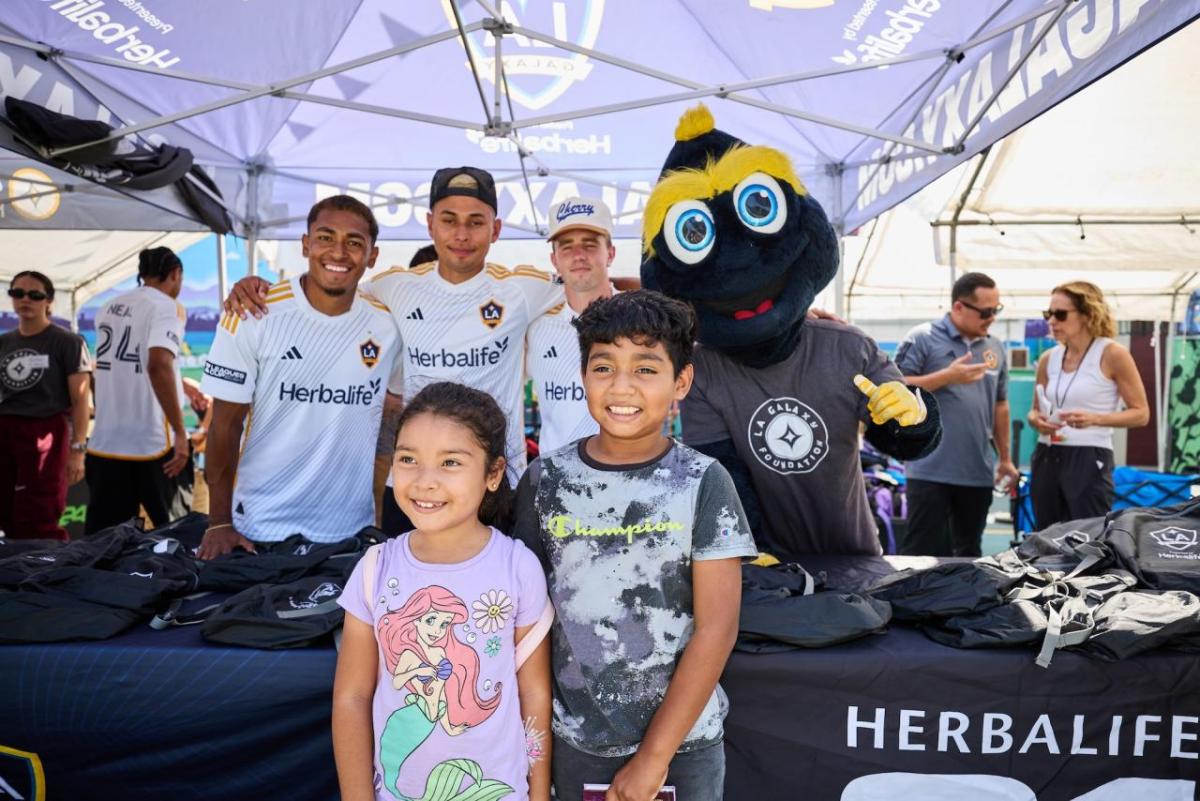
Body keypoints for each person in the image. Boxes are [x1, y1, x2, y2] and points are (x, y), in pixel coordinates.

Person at [513, 290, 757, 801]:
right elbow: (528, 624)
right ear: (582, 376)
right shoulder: (545, 482)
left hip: (683, 747)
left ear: (680, 382)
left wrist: (653, 758)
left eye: (645, 369)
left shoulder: (704, 482)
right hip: (575, 742)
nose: (621, 386)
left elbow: (718, 628)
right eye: (604, 367)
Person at [227, 167, 564, 530]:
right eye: (449, 220)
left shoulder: (523, 289)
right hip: (413, 485)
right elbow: (330, 285)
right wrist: (256, 288)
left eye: (476, 222)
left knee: (495, 588)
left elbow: (593, 286)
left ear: (495, 230)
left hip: (493, 484)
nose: (462, 234)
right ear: (430, 223)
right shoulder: (393, 288)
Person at [334, 382, 552, 801]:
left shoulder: (517, 567)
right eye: (408, 459)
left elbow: (534, 694)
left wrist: (539, 796)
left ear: (492, 474)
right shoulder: (374, 569)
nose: (424, 481)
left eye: (450, 462)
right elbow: (352, 697)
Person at [197, 195, 403, 558]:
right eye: (325, 237)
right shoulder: (252, 312)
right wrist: (219, 522)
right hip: (260, 525)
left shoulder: (388, 323)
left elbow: (394, 406)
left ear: (372, 256)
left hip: (351, 529)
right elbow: (223, 427)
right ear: (306, 245)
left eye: (354, 243)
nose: (338, 252)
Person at [894, 272, 1019, 556]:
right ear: (959, 307)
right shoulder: (922, 339)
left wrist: (1006, 459)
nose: (992, 318)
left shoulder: (995, 347)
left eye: (996, 310)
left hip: (976, 473)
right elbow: (894, 387)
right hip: (929, 470)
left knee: (969, 553)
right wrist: (947, 377)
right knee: (922, 551)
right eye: (986, 311)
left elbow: (1001, 404)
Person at [85, 247, 192, 535]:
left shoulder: (109, 306)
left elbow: (109, 371)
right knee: (177, 538)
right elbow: (158, 364)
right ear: (175, 274)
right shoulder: (168, 306)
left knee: (105, 544)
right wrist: (181, 433)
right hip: (152, 443)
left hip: (106, 442)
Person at [1028, 281, 1149, 526]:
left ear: (1087, 314)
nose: (1051, 321)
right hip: (1047, 453)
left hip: (1089, 454)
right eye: (1048, 314)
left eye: (1060, 314)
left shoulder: (1113, 354)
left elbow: (1141, 414)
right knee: (1045, 536)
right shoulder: (1047, 358)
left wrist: (1095, 418)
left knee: (1088, 537)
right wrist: (1036, 421)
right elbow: (1033, 412)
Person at [0, 272, 91, 539]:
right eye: (17, 293)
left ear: (48, 301)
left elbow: (81, 399)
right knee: (4, 509)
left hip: (46, 431)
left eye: (34, 294)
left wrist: (78, 449)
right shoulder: (3, 343)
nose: (25, 300)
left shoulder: (68, 342)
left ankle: (44, 569)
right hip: (5, 428)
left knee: (40, 512)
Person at [526, 197, 618, 454]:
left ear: (610, 253)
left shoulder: (643, 319)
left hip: (629, 478)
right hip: (556, 483)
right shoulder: (535, 328)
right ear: (554, 260)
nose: (578, 255)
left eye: (590, 245)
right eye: (566, 247)